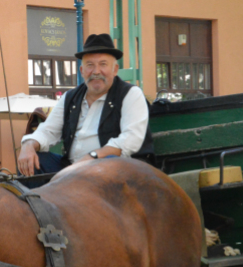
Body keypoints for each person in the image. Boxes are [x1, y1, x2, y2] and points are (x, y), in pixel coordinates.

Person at [17, 33, 153, 177]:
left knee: (111, 161)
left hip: (113, 171)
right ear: (82, 71)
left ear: (115, 70)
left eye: (103, 64)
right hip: (71, 168)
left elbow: (130, 139)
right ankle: (32, 200)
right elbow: (48, 131)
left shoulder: (130, 94)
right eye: (90, 65)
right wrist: (28, 145)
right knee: (32, 161)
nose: (96, 71)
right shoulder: (70, 97)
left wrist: (93, 156)